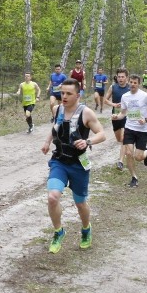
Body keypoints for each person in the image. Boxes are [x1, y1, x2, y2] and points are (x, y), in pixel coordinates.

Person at [40, 79, 106, 253]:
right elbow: (55, 128)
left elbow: (102, 134)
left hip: (78, 164)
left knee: (80, 203)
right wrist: (47, 142)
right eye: (62, 93)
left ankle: (86, 229)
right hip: (59, 161)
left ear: (78, 95)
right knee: (53, 197)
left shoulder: (86, 113)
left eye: (69, 93)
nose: (64, 96)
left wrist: (87, 141)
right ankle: (58, 231)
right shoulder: (57, 109)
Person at [112, 74, 147, 187]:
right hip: (129, 128)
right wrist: (117, 117)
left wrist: (146, 119)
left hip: (142, 130)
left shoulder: (145, 96)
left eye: (135, 83)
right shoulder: (125, 96)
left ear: (139, 84)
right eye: (131, 82)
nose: (132, 84)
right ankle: (134, 177)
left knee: (138, 157)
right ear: (128, 82)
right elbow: (123, 113)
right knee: (128, 153)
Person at [105, 68, 130, 169]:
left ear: (126, 77)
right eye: (119, 76)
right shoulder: (113, 87)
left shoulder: (130, 87)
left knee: (124, 138)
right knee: (119, 139)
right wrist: (114, 104)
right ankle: (135, 145)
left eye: (122, 77)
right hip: (115, 115)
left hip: (127, 115)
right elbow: (105, 100)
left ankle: (120, 161)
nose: (120, 78)